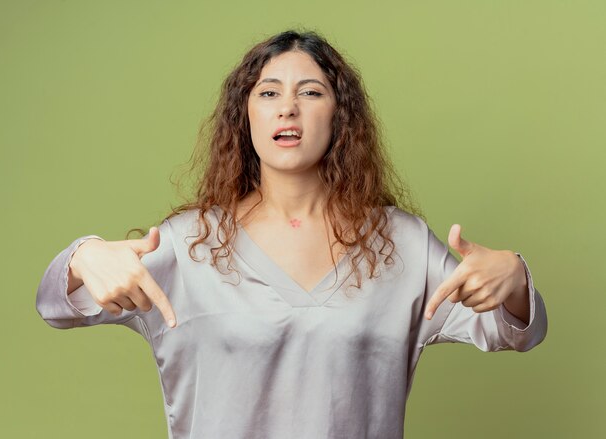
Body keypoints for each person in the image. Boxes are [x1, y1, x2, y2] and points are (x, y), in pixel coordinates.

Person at [36, 29, 548, 439]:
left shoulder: (403, 245)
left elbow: (511, 330)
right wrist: (83, 256)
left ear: (339, 117)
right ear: (247, 118)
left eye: (311, 92)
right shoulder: (188, 244)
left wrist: (515, 277)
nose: (288, 107)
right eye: (268, 93)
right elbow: (56, 306)